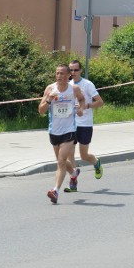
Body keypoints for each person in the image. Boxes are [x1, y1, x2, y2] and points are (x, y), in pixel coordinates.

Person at [38, 64, 86, 204]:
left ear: (68, 76)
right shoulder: (50, 89)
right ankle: (74, 174)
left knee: (61, 161)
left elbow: (82, 99)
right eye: (57, 73)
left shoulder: (74, 89)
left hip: (69, 130)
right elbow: (41, 110)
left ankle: (55, 191)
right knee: (62, 162)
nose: (59, 76)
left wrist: (81, 109)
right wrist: (49, 99)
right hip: (54, 130)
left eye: (62, 73)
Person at [64, 59, 104, 193]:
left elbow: (100, 102)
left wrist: (86, 106)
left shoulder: (87, 84)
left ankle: (96, 163)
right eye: (71, 70)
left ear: (81, 70)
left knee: (83, 155)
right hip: (71, 124)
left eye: (76, 70)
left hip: (85, 124)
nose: (73, 72)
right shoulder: (67, 85)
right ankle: (73, 182)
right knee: (70, 154)